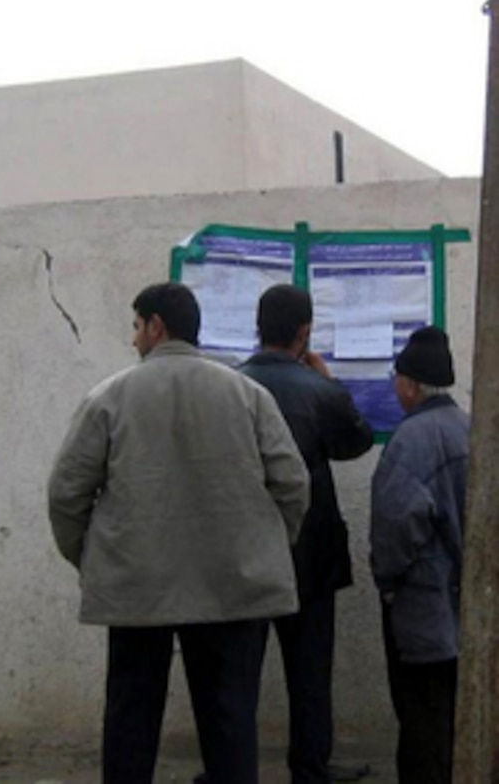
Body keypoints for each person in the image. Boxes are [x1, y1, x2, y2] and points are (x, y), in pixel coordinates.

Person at [48, 281, 310, 784]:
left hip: (136, 586)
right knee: (230, 721)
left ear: (156, 326)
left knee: (131, 717)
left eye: (135, 326)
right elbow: (292, 485)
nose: (133, 339)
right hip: (233, 584)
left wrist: (94, 559)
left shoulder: (110, 397)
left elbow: (66, 493)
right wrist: (266, 550)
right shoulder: (248, 395)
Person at [239, 284, 374, 784]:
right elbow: (355, 442)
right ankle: (310, 769)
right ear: (304, 332)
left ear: (258, 327)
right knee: (310, 673)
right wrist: (330, 382)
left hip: (246, 557)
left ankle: (233, 767)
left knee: (238, 673)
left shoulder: (233, 386)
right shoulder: (319, 390)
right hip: (310, 558)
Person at [370, 326, 469, 784]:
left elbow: (395, 528)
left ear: (409, 384)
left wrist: (387, 585)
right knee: (455, 722)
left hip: (423, 612)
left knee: (422, 726)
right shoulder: (469, 429)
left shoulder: (411, 440)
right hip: (464, 612)